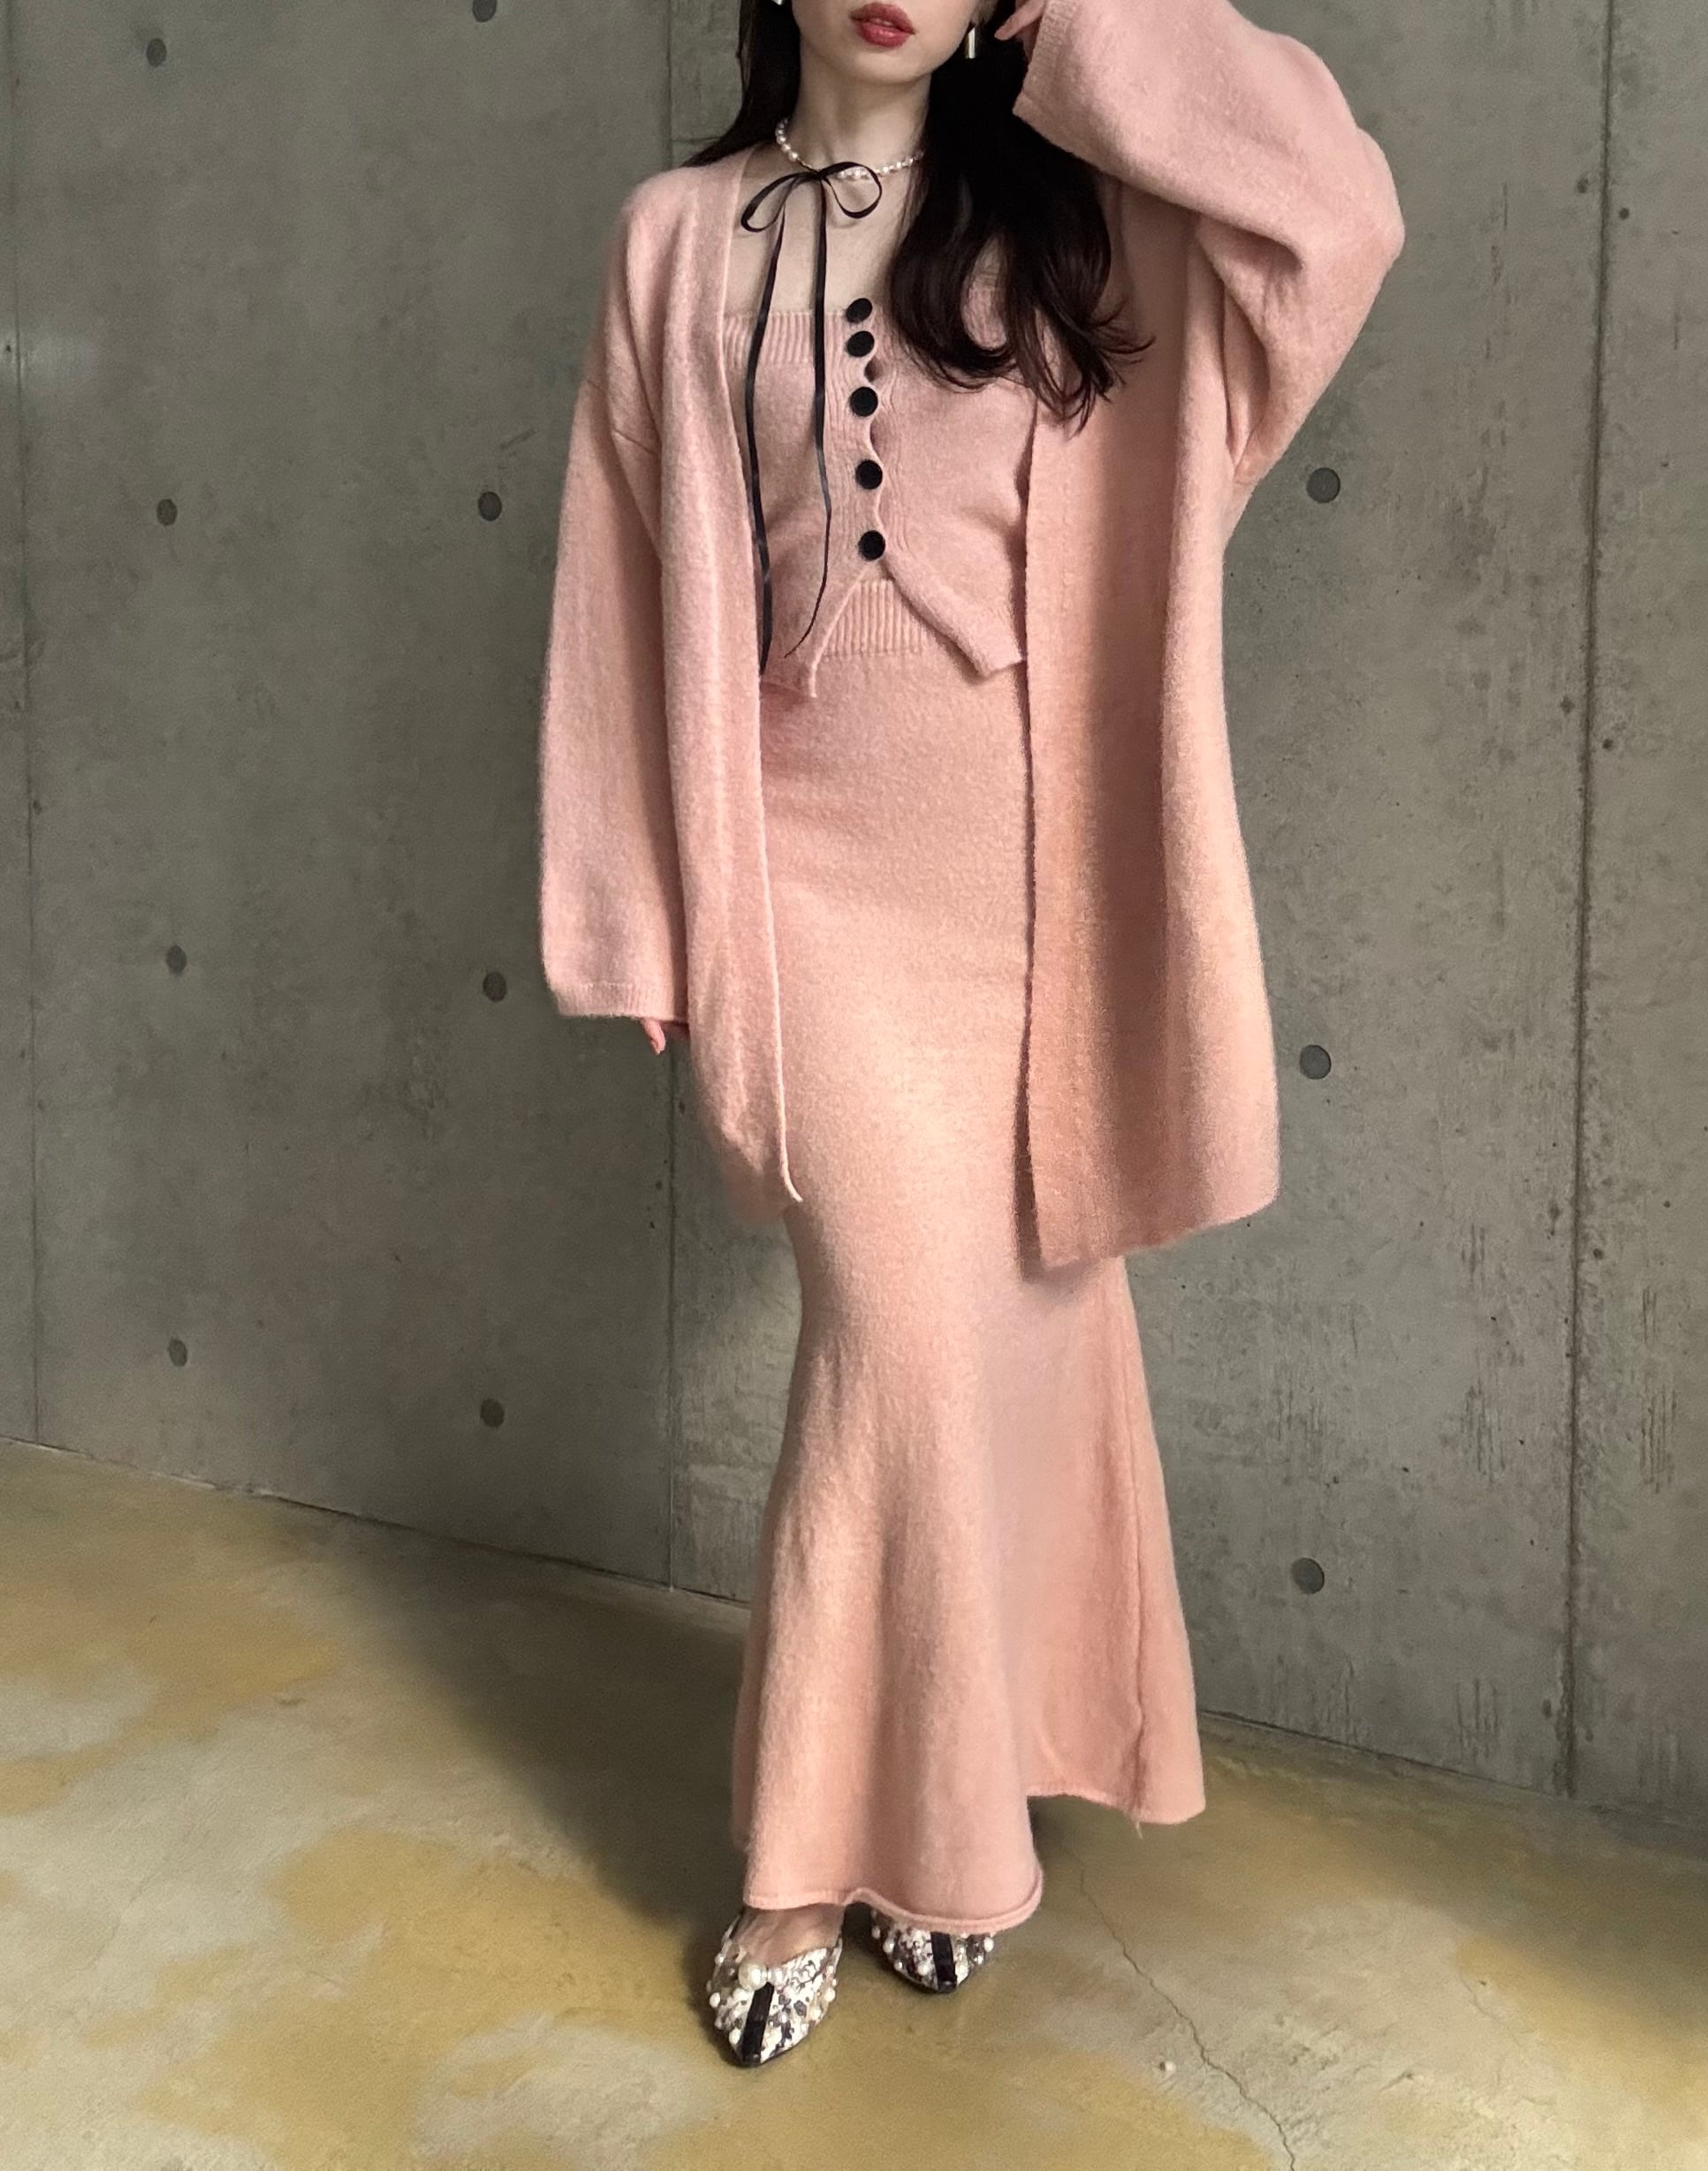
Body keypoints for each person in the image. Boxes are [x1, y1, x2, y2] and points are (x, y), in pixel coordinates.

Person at [536, 0, 1403, 2069]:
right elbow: (617, 582)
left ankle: (962, 1780)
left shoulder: (1091, 228)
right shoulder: (675, 237)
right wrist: (632, 907)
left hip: (1046, 891)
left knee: (1029, 1345)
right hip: (809, 889)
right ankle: (808, 1857)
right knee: (900, 1355)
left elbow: (1335, 211)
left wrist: (1073, 18)